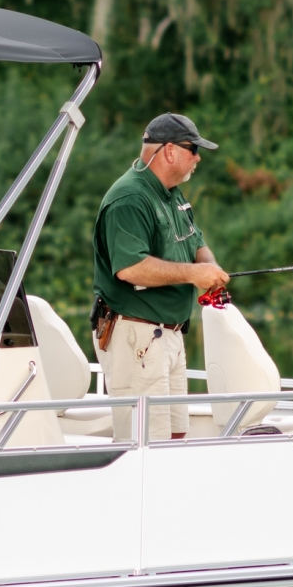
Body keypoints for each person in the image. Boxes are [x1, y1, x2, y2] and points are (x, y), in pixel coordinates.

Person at [91, 112, 229, 441]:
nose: (197, 158)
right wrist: (196, 274)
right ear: (169, 151)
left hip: (168, 337)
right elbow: (131, 268)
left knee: (176, 435)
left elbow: (197, 244)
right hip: (137, 337)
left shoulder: (172, 193)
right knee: (145, 444)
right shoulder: (130, 198)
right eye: (192, 149)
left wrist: (210, 275)